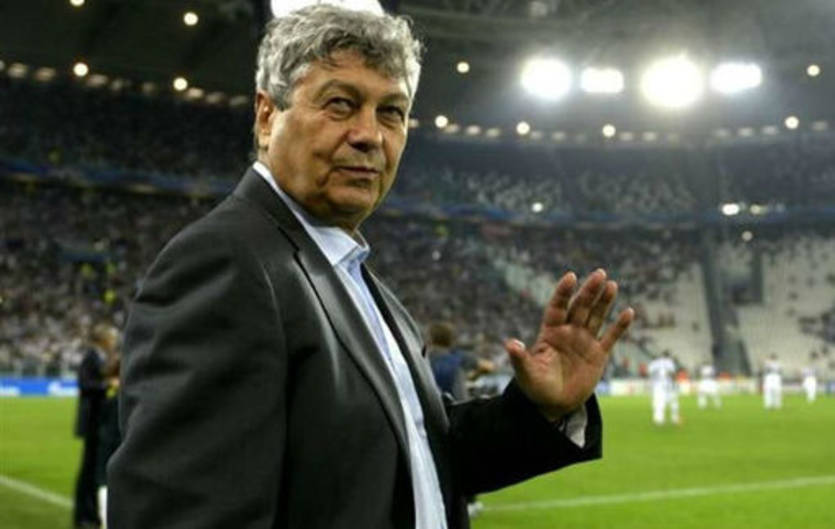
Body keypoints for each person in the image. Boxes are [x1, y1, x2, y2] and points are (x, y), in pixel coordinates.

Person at [107, 5, 634, 529]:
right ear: (267, 117)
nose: (370, 136)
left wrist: (540, 409)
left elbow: (420, 454)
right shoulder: (226, 263)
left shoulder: (357, 280)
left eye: (391, 112)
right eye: (341, 104)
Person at [72, 323, 117, 529]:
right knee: (89, 470)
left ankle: (90, 514)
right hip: (92, 422)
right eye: (111, 338)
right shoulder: (91, 356)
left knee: (92, 470)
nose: (113, 342)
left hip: (98, 421)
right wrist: (107, 384)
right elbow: (84, 384)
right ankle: (83, 515)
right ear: (103, 339)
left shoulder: (100, 357)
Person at [648, 350, 680, 425]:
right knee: (673, 401)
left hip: (657, 385)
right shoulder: (669, 362)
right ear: (668, 356)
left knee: (658, 402)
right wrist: (674, 383)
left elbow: (650, 374)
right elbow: (672, 374)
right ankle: (675, 419)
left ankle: (659, 420)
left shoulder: (654, 363)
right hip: (667, 384)